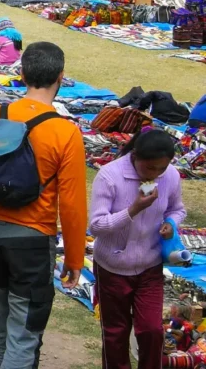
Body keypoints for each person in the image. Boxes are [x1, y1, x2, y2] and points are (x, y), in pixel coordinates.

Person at [0, 42, 87, 368]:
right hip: (32, 243)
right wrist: (75, 258)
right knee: (24, 335)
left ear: (21, 74)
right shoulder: (65, 132)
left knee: (0, 328)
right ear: (61, 77)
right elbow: (72, 204)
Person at [90, 129, 184, 369]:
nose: (156, 174)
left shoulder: (170, 176)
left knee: (152, 330)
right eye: (150, 168)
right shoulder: (110, 176)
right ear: (135, 156)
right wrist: (133, 210)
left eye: (161, 168)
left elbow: (177, 209)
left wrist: (171, 224)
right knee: (116, 333)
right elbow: (97, 226)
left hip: (150, 265)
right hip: (112, 266)